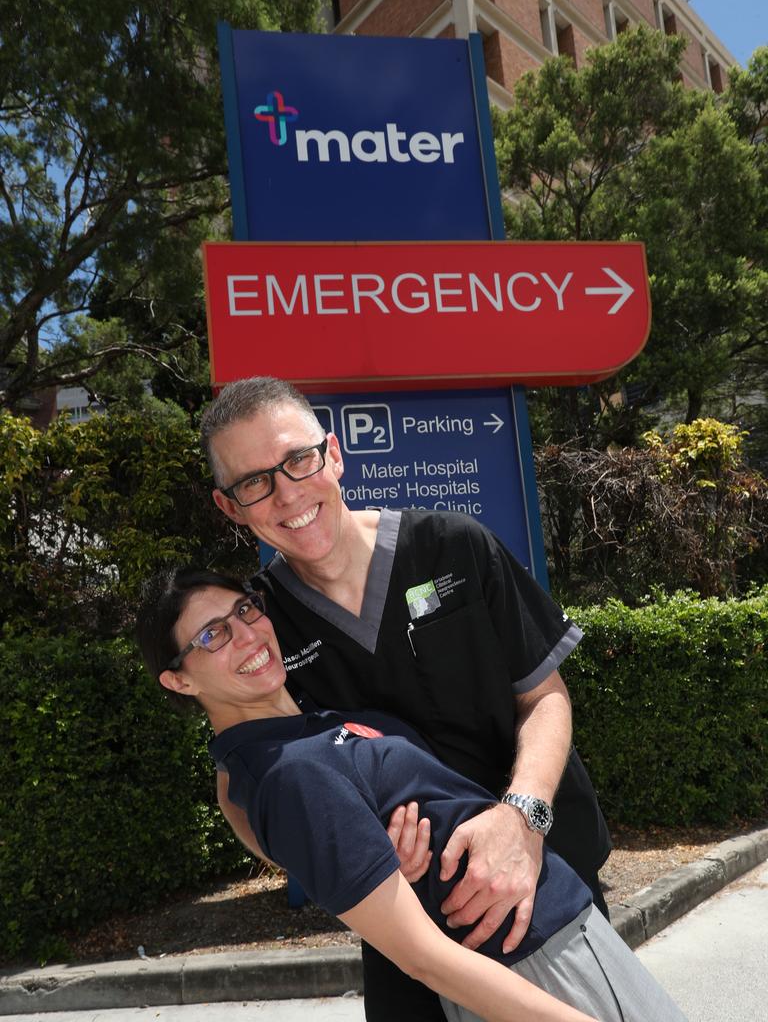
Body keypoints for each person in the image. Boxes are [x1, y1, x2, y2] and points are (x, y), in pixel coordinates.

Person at [199, 377, 612, 1021]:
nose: (286, 493)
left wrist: (520, 821)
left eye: (298, 461)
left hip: (541, 881)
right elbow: (241, 786)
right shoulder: (260, 628)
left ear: (333, 455)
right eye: (254, 482)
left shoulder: (452, 545)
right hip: (412, 922)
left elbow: (544, 696)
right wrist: (341, 852)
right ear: (231, 507)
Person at [136, 566, 687, 1022]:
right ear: (179, 680)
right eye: (212, 635)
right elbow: (423, 958)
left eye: (244, 610)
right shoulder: (287, 773)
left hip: (554, 935)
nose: (248, 634)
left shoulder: (309, 726)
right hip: (529, 963)